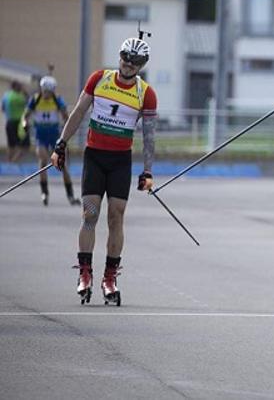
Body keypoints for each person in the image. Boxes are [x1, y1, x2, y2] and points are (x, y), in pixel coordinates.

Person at [50, 37, 157, 306]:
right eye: (125, 58)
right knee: (90, 214)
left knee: (116, 218)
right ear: (119, 56)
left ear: (142, 65)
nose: (129, 65)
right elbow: (77, 113)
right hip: (95, 157)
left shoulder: (146, 93)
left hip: (121, 161)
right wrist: (61, 145)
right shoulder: (99, 79)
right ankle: (84, 273)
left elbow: (149, 136)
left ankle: (110, 278)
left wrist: (147, 171)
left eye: (135, 62)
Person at [22, 76, 80, 206]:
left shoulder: (57, 99)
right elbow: (25, 115)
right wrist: (25, 123)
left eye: (49, 91)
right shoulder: (35, 99)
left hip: (55, 136)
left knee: (63, 165)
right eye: (45, 91)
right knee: (42, 161)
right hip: (40, 136)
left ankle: (70, 195)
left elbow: (66, 116)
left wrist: (67, 130)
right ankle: (45, 193)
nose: (46, 94)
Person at [2, 80, 30, 162]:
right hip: (20, 123)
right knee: (25, 145)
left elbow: (3, 108)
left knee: (11, 145)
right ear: (16, 87)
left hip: (9, 121)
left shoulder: (6, 96)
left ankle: (9, 161)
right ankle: (14, 161)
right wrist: (25, 92)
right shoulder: (20, 97)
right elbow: (30, 104)